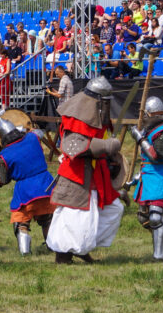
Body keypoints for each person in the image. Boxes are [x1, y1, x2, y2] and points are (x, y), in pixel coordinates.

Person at [47, 77, 125, 264]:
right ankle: (65, 254)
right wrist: (106, 146)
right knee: (75, 216)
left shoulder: (94, 117)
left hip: (95, 174)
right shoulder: (78, 118)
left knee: (113, 209)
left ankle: (81, 247)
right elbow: (72, 146)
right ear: (97, 101)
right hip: (76, 175)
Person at [0, 117, 55, 256]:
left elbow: (3, 180)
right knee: (47, 220)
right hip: (46, 186)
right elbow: (39, 132)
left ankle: (25, 253)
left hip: (26, 191)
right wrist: (27, 130)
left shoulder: (4, 155)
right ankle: (54, 247)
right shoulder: (32, 137)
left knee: (21, 223)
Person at [127, 97, 163, 261]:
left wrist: (139, 139)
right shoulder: (152, 129)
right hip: (150, 176)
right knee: (144, 218)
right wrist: (136, 178)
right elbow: (147, 160)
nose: (143, 117)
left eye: (144, 114)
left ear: (150, 114)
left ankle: (158, 257)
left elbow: (156, 155)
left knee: (156, 217)